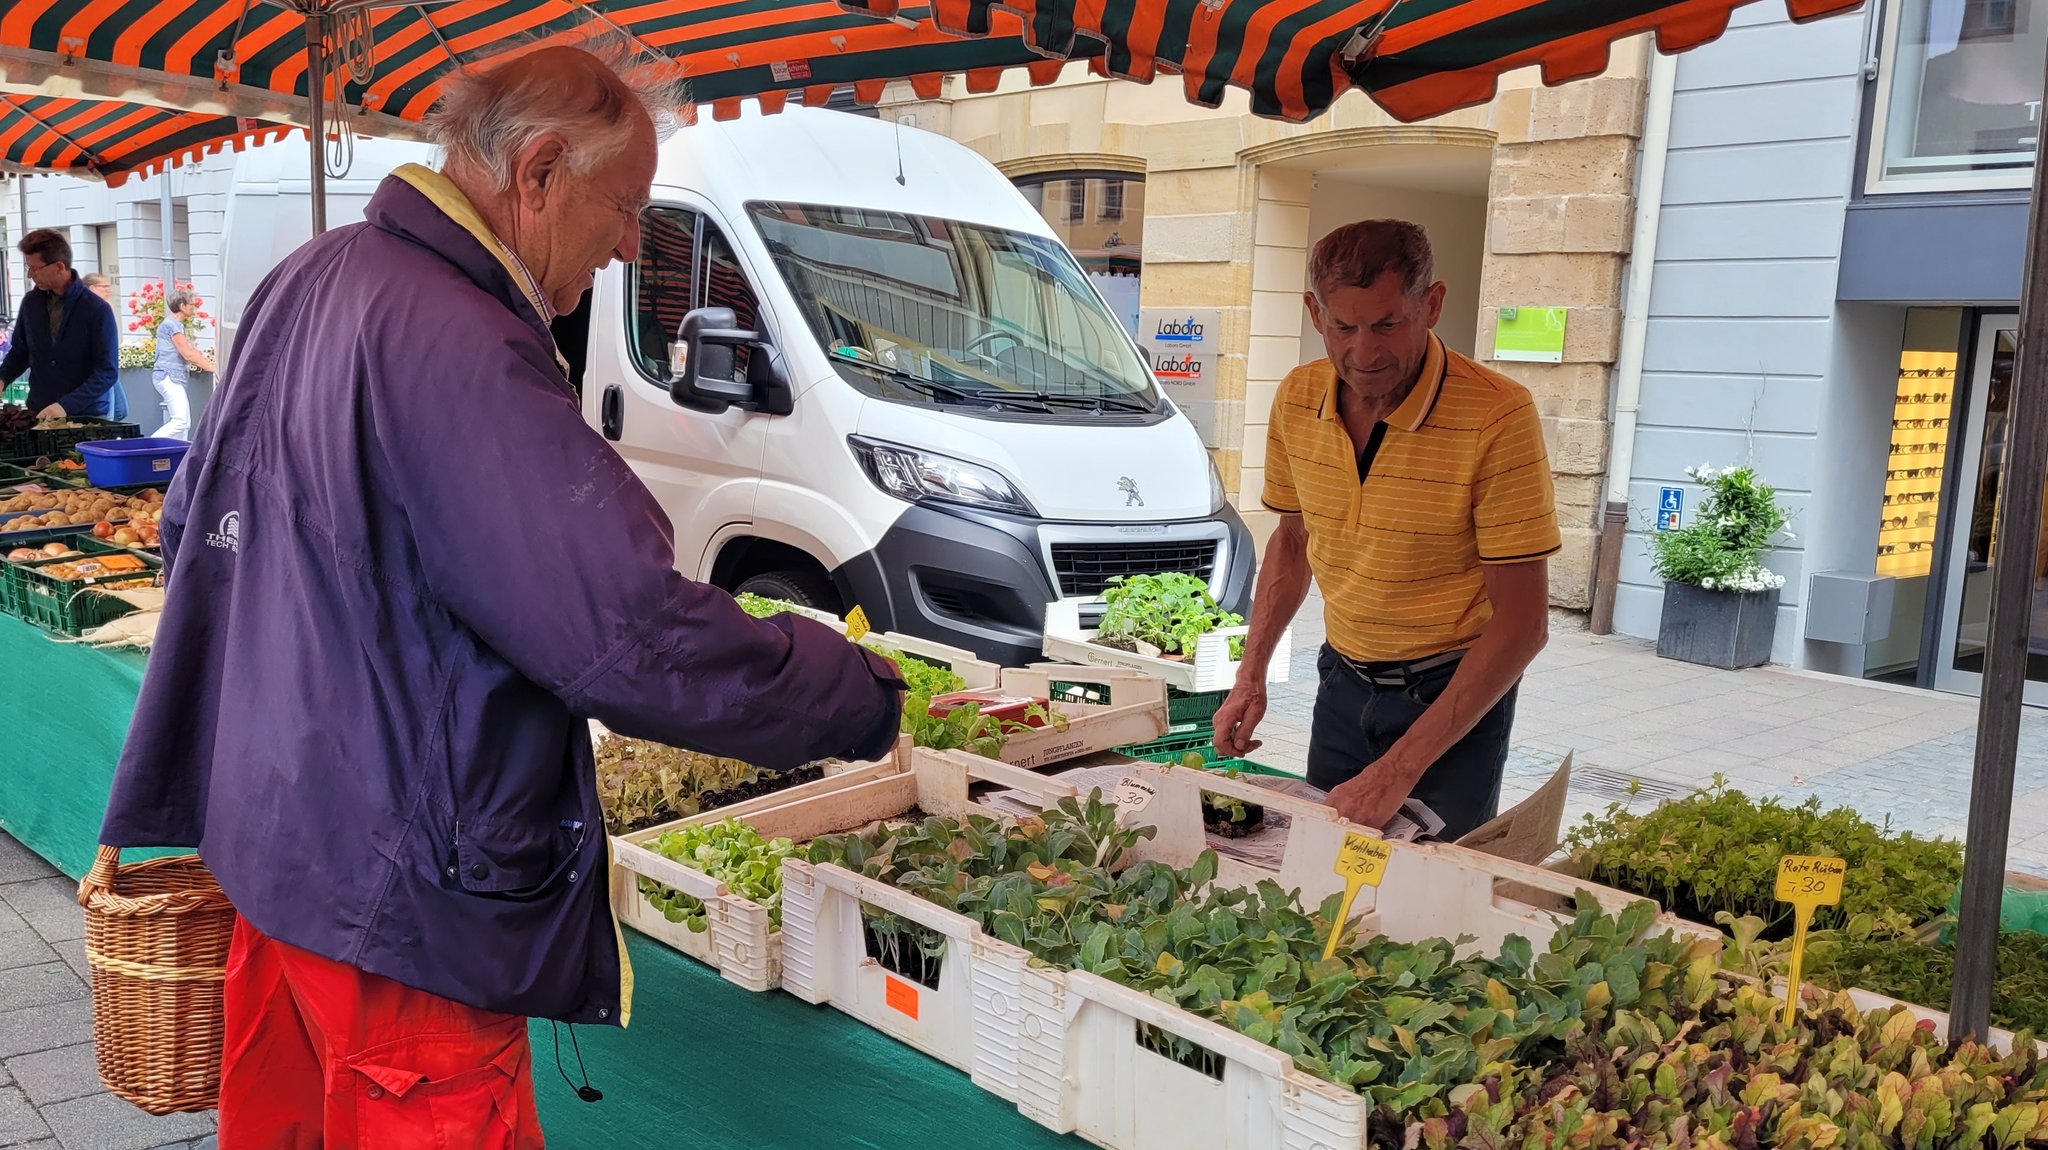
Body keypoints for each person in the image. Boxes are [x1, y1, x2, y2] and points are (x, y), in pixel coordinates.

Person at [94, 42, 906, 1149]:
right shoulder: (466, 344)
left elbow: (190, 525)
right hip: (402, 901)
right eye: (625, 209)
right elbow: (629, 631)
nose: (629, 246)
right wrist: (855, 692)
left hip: (278, 853)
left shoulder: (312, 274)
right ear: (536, 175)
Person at [1212, 220, 1558, 841]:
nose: (1365, 354)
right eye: (1344, 328)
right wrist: (1251, 673)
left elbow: (1523, 624)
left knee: (1428, 904)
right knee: (1320, 877)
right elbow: (1294, 542)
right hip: (1342, 684)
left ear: (1432, 304)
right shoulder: (1295, 398)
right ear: (1315, 314)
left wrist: (1398, 769)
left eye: (1387, 325)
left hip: (1451, 698)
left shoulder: (1498, 415)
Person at [0, 229, 121, 421]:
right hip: (38, 411)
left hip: (86, 416)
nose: (31, 274)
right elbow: (20, 352)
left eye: (36, 268)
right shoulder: (31, 303)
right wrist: (2, 378)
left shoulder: (96, 309)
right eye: (28, 268)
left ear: (59, 266)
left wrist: (65, 405)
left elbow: (107, 371)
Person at [149, 288, 213, 439]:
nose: (194, 308)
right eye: (192, 305)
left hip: (170, 377)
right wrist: (214, 368)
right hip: (169, 377)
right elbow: (188, 354)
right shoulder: (172, 325)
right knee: (181, 422)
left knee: (184, 425)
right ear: (182, 306)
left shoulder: (175, 325)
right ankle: (148, 446)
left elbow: (190, 352)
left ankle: (179, 458)